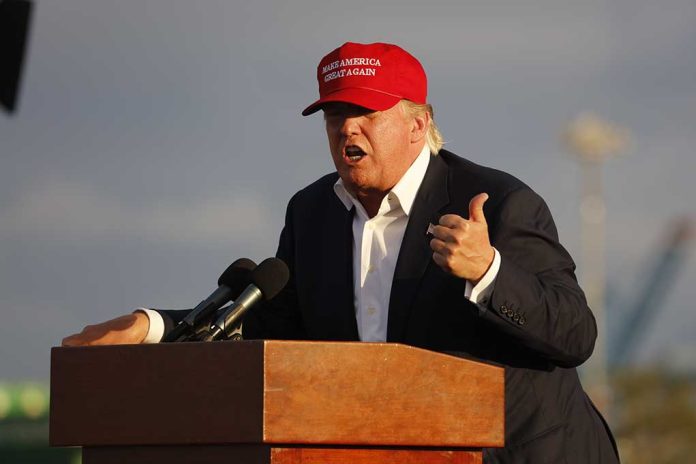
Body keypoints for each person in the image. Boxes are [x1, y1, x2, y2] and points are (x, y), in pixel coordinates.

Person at [63, 42, 619, 463]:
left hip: (522, 454)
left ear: (418, 124)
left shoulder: (499, 203)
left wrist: (489, 272)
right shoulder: (312, 214)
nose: (346, 127)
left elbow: (575, 335)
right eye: (334, 115)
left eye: (366, 112)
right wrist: (156, 326)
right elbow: (273, 330)